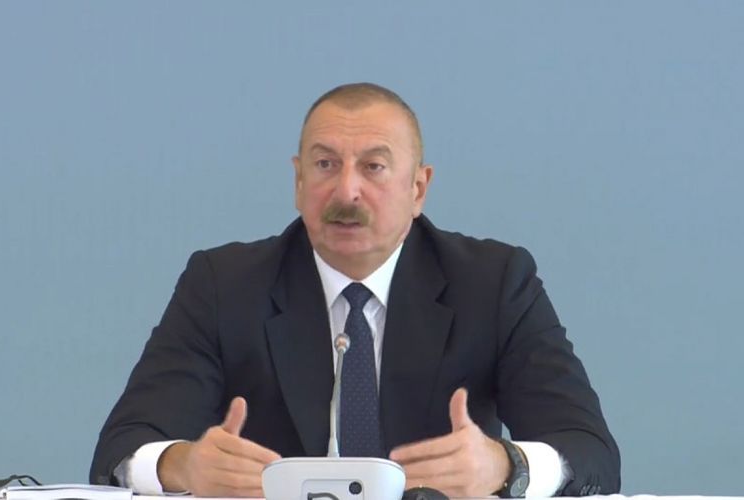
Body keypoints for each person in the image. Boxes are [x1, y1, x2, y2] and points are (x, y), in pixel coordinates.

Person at [90, 82, 620, 498]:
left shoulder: (494, 282)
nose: (346, 191)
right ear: (298, 181)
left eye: (374, 167)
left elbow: (590, 451)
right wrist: (182, 464)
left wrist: (506, 466)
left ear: (418, 188)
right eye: (325, 165)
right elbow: (120, 449)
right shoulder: (223, 284)